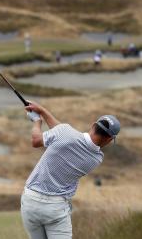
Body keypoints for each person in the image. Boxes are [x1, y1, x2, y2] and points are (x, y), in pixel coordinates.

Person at [22, 101, 121, 239]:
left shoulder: (65, 132)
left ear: (93, 125)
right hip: (55, 208)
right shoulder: (96, 158)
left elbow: (37, 140)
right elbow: (63, 133)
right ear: (110, 139)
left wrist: (37, 121)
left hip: (30, 201)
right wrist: (43, 111)